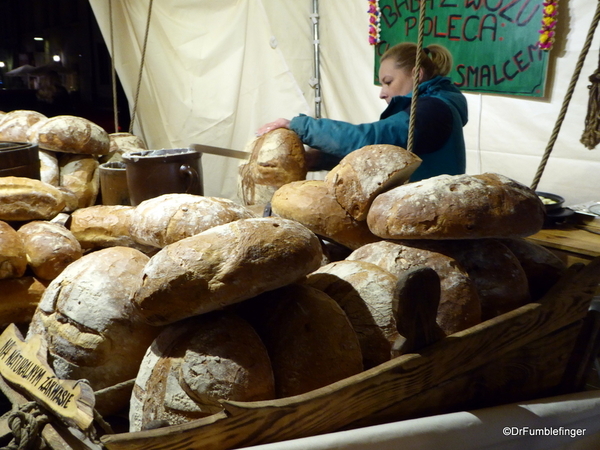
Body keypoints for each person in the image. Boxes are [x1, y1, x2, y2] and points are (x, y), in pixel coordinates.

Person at [257, 42, 468, 182]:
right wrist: (319, 159)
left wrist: (300, 125)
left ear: (417, 74)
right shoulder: (437, 105)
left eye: (388, 82)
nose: (382, 93)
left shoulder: (433, 110)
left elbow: (370, 140)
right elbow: (381, 154)